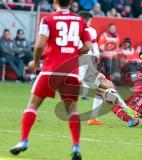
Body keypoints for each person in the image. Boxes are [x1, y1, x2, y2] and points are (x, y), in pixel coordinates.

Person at [9, 0, 92, 159]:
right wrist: (73, 54)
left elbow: (40, 45)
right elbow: (87, 46)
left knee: (33, 104)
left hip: (50, 70)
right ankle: (76, 147)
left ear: (55, 2)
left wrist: (35, 62)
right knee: (72, 110)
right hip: (71, 71)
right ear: (71, 2)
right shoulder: (80, 20)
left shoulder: (48, 19)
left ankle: (24, 141)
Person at [77, 11, 138, 126]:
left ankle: (94, 118)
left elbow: (91, 51)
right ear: (85, 20)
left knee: (108, 87)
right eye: (90, 20)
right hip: (81, 70)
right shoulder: (79, 33)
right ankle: (128, 111)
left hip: (88, 67)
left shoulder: (89, 32)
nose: (91, 22)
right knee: (104, 91)